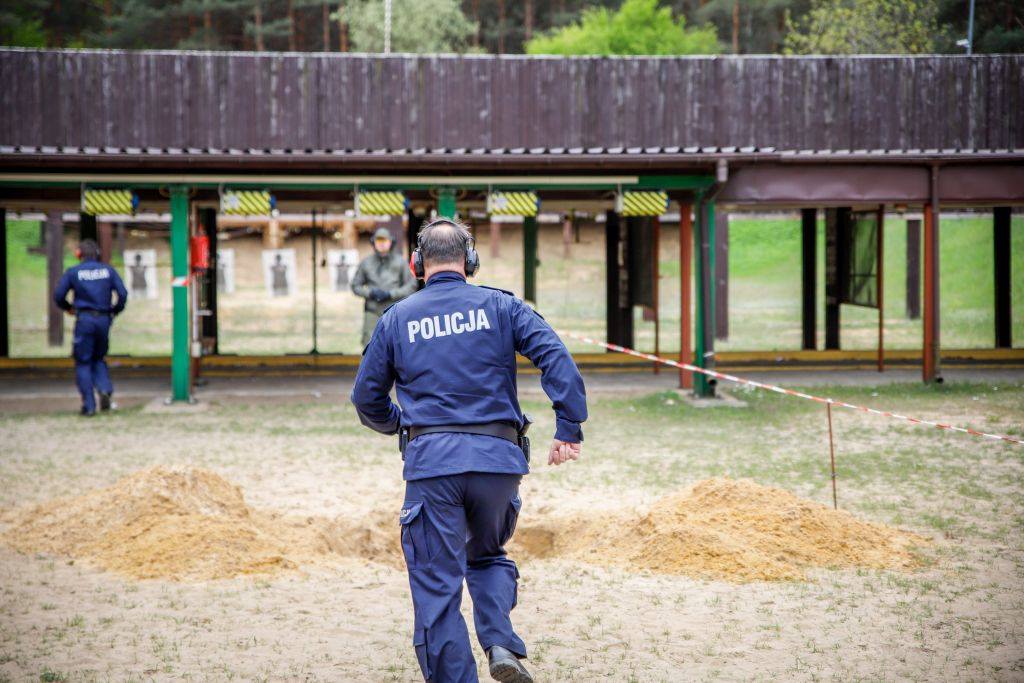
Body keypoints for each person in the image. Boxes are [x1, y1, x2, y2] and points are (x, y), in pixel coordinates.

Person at [350, 218, 587, 683]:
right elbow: (555, 355)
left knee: (437, 586)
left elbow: (366, 399)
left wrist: (400, 425)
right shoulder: (503, 307)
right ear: (470, 261)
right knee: (488, 554)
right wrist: (569, 425)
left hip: (432, 466)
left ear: (417, 264)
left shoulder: (397, 318)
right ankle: (499, 641)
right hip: (498, 463)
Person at [53, 238, 128, 416]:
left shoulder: (73, 272)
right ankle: (105, 388)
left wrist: (68, 308)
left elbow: (58, 295)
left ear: (79, 254)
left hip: (84, 319)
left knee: (83, 361)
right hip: (103, 319)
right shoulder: (108, 271)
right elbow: (123, 294)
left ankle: (89, 405)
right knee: (99, 357)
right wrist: (114, 311)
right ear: (98, 254)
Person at [351, 227, 417, 346]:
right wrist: (370, 293)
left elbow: (411, 285)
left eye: (384, 241)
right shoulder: (366, 263)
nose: (381, 244)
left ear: (391, 242)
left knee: (396, 345)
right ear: (373, 243)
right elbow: (355, 286)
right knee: (370, 346)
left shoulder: (400, 262)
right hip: (372, 311)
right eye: (378, 241)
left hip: (394, 311)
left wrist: (391, 294)